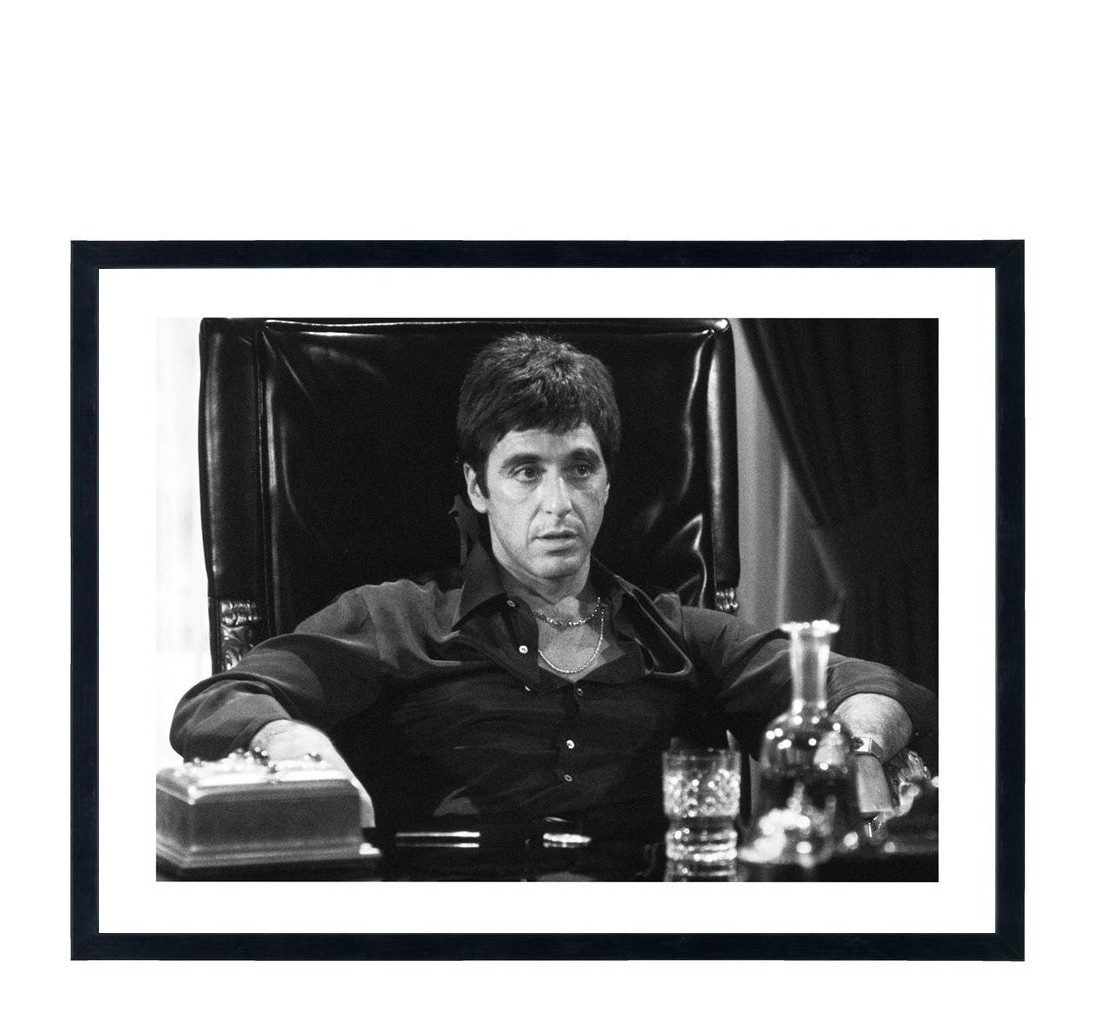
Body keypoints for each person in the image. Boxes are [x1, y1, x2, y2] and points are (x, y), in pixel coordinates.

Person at [171, 333, 935, 838]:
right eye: (525, 471)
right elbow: (218, 702)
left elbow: (874, 685)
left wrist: (858, 744)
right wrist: (294, 744)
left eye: (579, 469)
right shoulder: (394, 616)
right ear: (479, 488)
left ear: (607, 484)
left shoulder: (677, 630)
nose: (557, 503)